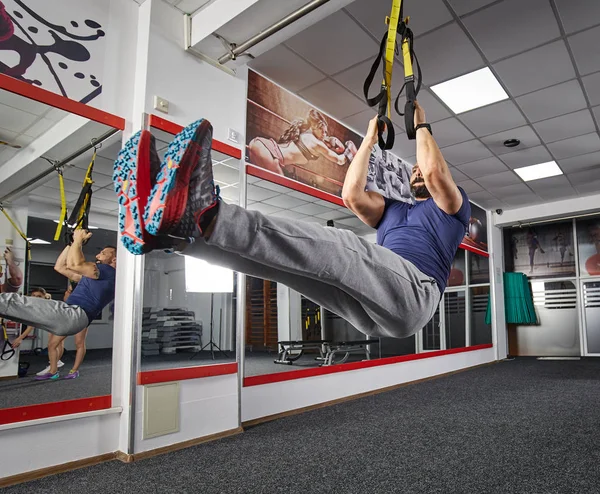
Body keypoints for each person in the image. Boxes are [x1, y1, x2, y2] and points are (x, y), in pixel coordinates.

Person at [116, 101, 469, 339]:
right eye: (416, 170)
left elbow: (437, 174)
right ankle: (178, 236)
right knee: (292, 267)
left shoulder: (452, 210)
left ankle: (206, 214)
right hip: (376, 310)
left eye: (424, 169)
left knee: (346, 247)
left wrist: (420, 124)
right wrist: (369, 140)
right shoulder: (393, 209)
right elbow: (350, 194)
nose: (421, 171)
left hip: (416, 294)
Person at [0, 230, 116, 380]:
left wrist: (78, 240)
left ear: (115, 259)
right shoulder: (94, 277)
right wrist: (70, 244)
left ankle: (71, 369)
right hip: (69, 320)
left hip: (74, 314)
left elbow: (76, 263)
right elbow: (60, 267)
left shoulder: (109, 272)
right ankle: (53, 370)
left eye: (104, 253)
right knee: (13, 311)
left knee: (12, 301)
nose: (99, 255)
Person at [247, 109, 357, 175]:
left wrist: (332, 141)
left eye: (326, 132)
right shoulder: (317, 144)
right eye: (323, 131)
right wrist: (350, 149)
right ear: (316, 128)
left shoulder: (304, 133)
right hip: (270, 154)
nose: (325, 134)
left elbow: (337, 147)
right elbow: (340, 160)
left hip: (260, 145)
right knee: (282, 189)